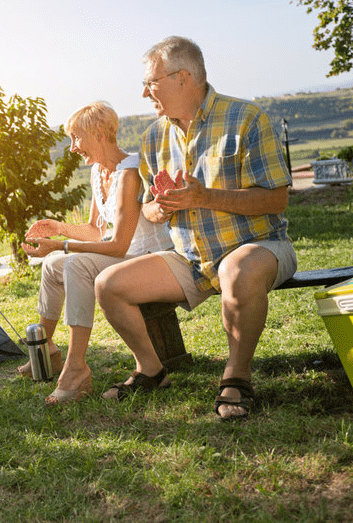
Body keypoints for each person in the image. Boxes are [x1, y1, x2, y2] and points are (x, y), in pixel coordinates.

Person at [94, 36, 297, 420]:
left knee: (235, 270)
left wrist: (204, 197)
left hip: (259, 247)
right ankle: (151, 370)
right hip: (191, 258)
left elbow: (276, 200)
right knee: (109, 285)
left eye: (150, 82)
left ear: (183, 77)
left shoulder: (247, 118)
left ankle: (236, 377)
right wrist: (161, 206)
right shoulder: (154, 135)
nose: (143, 92)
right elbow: (149, 210)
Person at [21, 101, 173, 405]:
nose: (74, 147)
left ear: (100, 133)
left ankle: (76, 368)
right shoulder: (99, 173)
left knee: (76, 264)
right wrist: (58, 228)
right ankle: (47, 350)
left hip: (145, 257)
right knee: (52, 264)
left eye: (77, 138)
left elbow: (117, 244)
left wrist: (62, 245)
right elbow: (94, 229)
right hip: (121, 254)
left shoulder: (129, 172)